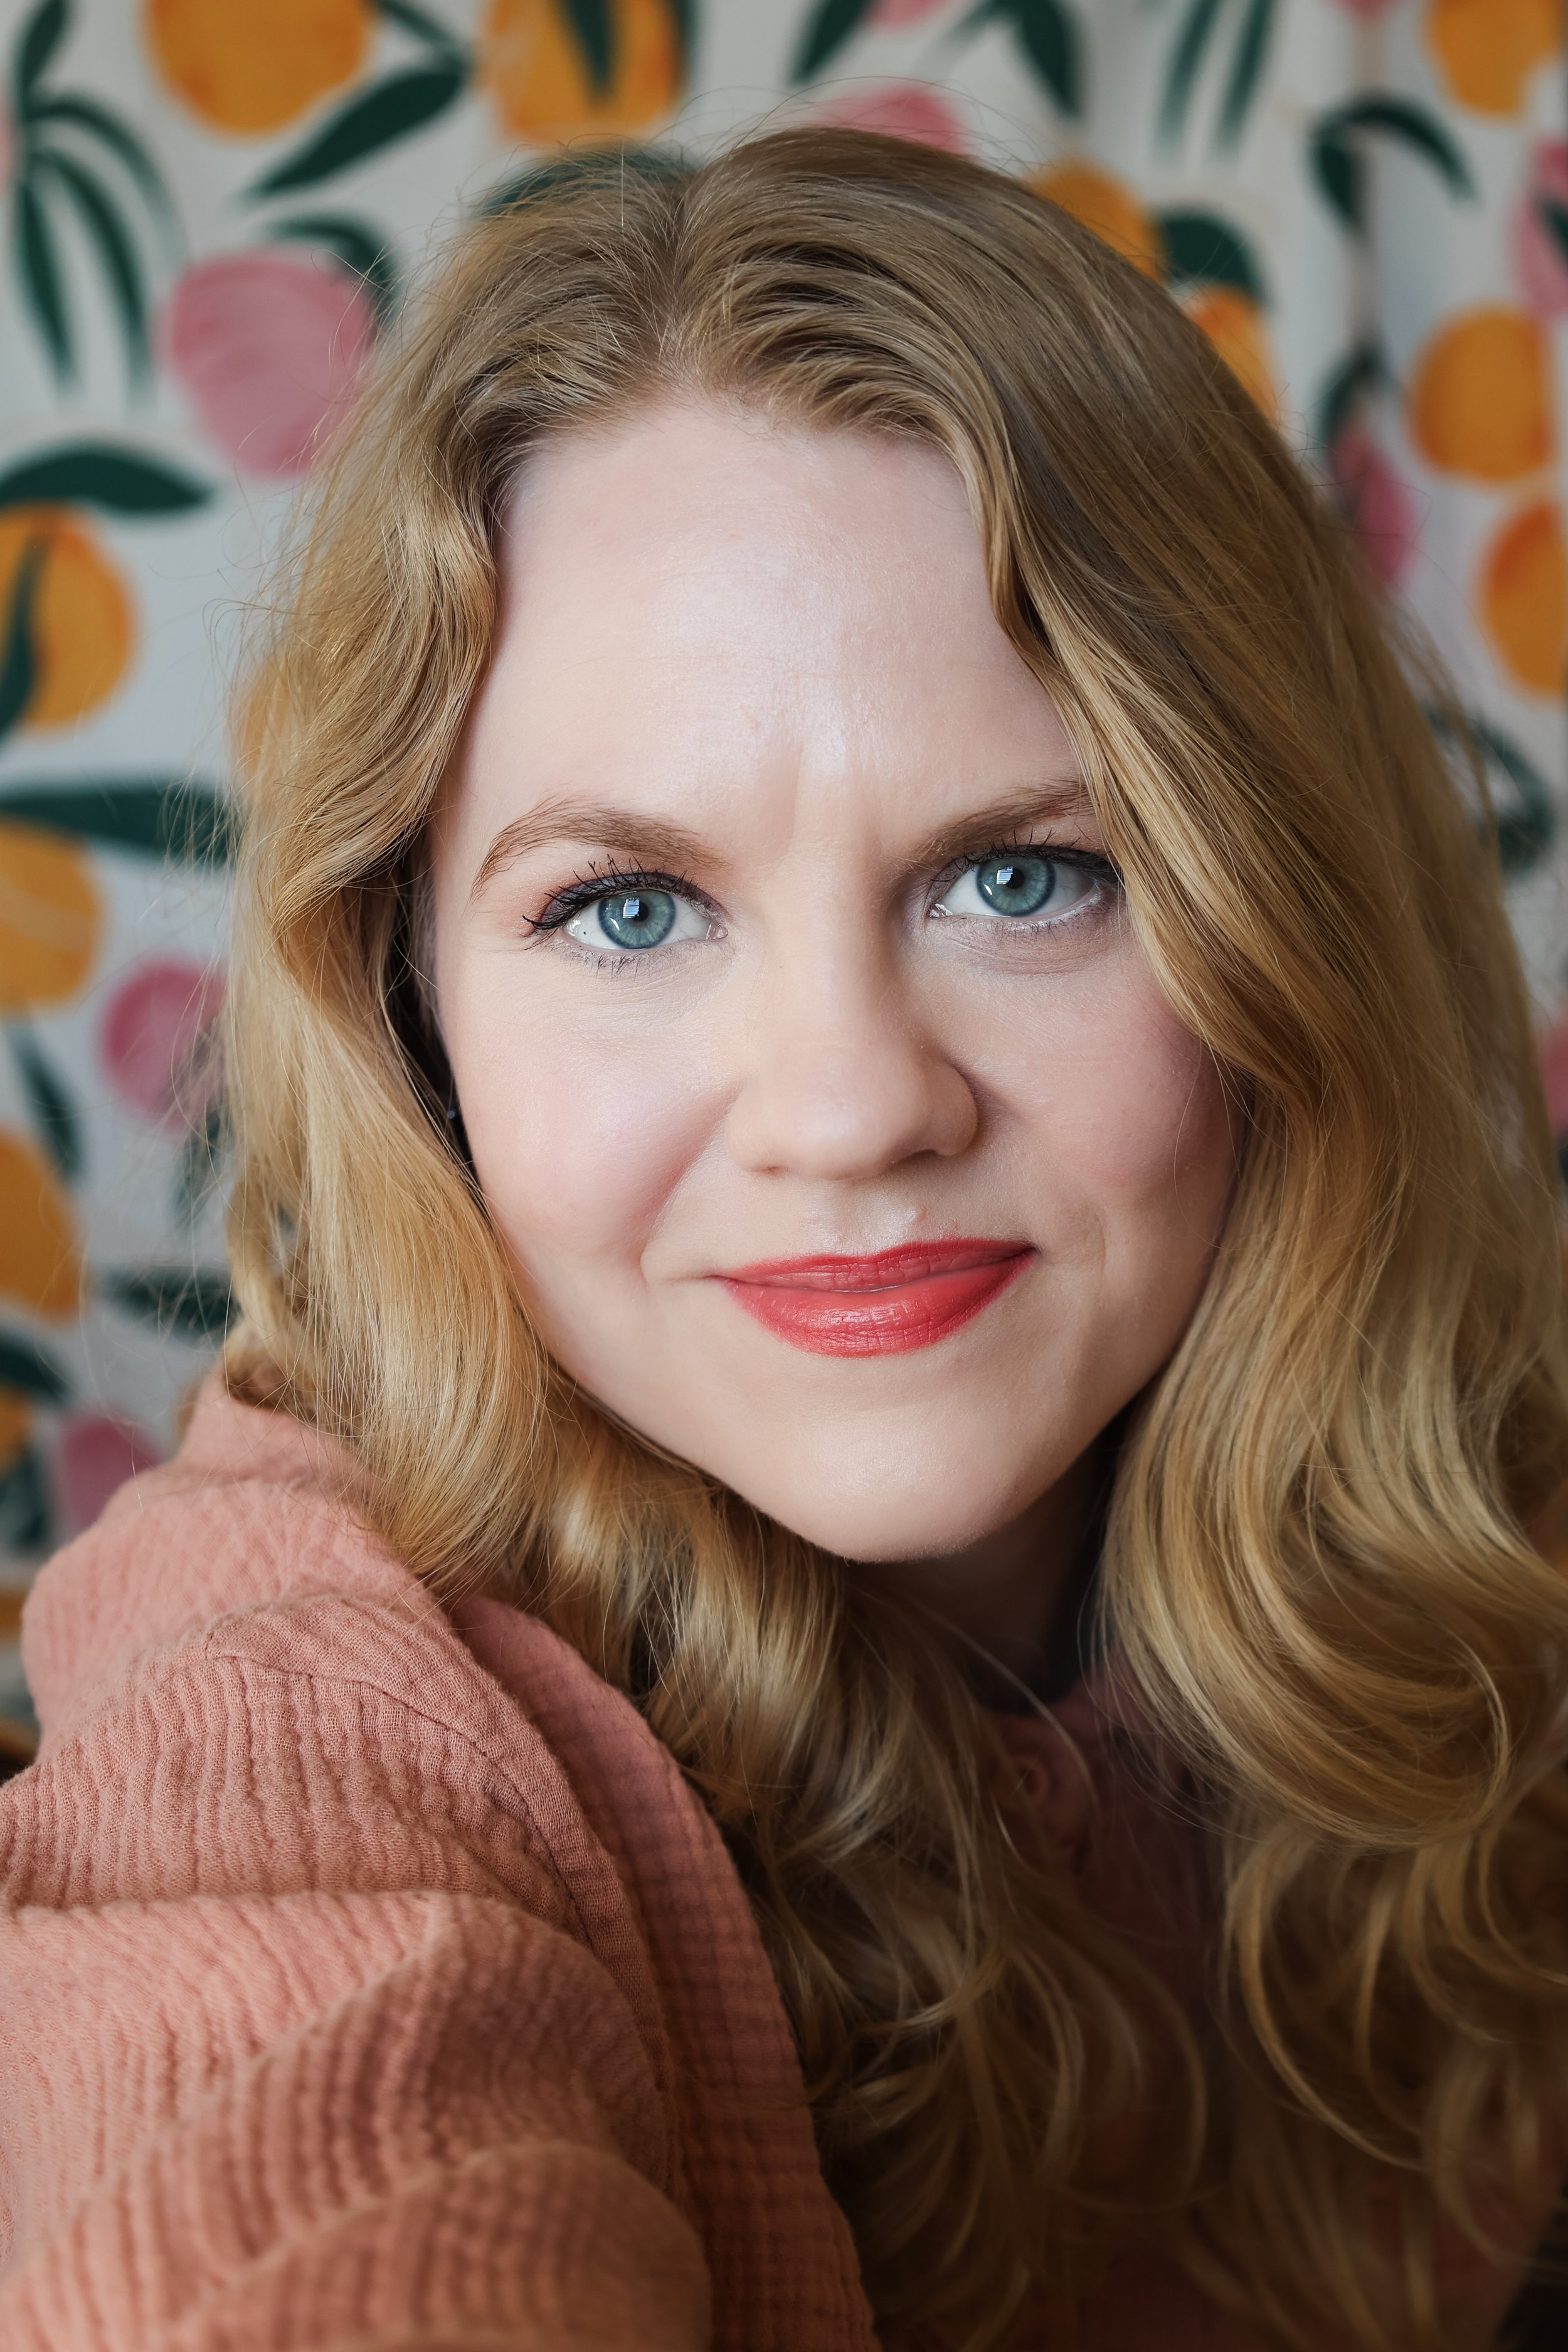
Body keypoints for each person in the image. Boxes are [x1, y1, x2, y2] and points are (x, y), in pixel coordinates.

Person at [1, 129, 1565, 2352]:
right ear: (412, 1008)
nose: (848, 1108)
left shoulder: (1479, 1549)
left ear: (1270, 925)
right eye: (626, 909)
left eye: (1024, 876)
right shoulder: (288, 1684)